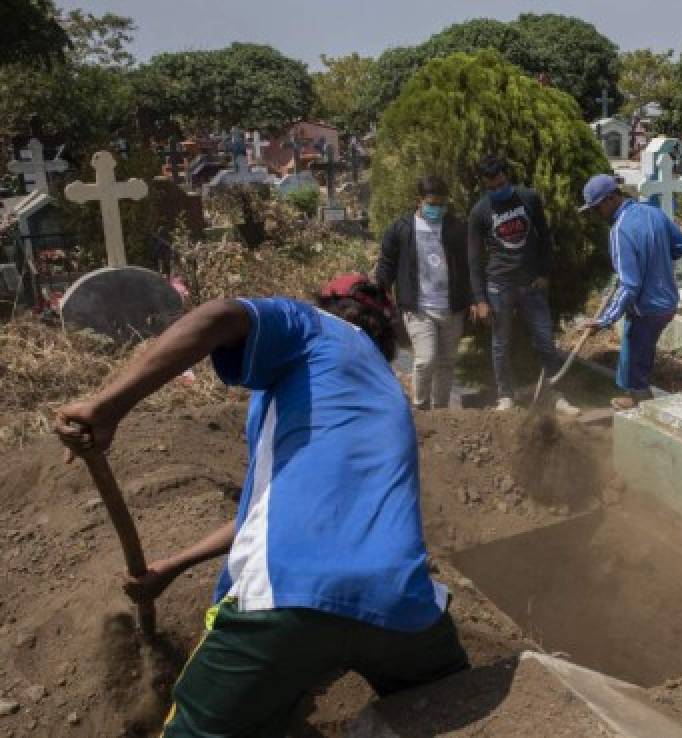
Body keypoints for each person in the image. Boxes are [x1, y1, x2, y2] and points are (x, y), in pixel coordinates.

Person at [55, 275, 467, 737]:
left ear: (329, 305)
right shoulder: (381, 390)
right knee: (455, 702)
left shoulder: (314, 325)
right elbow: (270, 516)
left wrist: (109, 405)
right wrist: (173, 565)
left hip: (288, 597)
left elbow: (220, 316)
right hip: (404, 608)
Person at [467, 155, 578, 415]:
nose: (497, 190)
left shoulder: (529, 198)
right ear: (484, 186)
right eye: (491, 187)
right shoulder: (479, 212)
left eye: (501, 184)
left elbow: (545, 237)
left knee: (544, 340)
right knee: (500, 343)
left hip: (531, 284)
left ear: (508, 177)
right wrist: (480, 299)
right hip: (499, 286)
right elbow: (473, 259)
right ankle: (506, 396)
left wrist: (544, 272)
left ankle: (555, 394)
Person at [580, 174, 682, 409]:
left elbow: (630, 285)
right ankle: (635, 401)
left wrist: (604, 321)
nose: (596, 215)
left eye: (596, 208)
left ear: (610, 199)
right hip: (667, 303)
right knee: (639, 354)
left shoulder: (619, 230)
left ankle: (644, 416)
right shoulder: (653, 212)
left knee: (633, 369)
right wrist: (657, 261)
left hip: (646, 309)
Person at [376, 175, 472, 410]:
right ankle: (421, 407)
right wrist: (382, 291)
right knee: (426, 360)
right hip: (418, 307)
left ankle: (441, 412)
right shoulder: (402, 229)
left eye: (441, 204)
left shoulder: (456, 228)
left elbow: (469, 264)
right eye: (432, 204)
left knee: (447, 362)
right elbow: (387, 263)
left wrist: (473, 298)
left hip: (451, 306)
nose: (436, 209)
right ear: (419, 201)